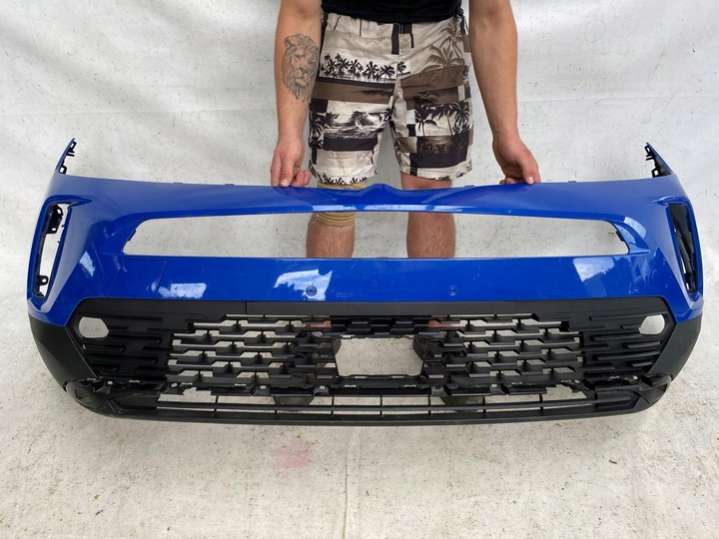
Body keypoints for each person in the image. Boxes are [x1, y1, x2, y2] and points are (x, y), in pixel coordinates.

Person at [271, 0, 540, 259]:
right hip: (348, 38)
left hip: (437, 40)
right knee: (337, 198)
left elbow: (491, 14)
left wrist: (507, 135)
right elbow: (300, 11)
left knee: (432, 196)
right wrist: (289, 134)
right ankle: (329, 293)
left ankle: (430, 293)